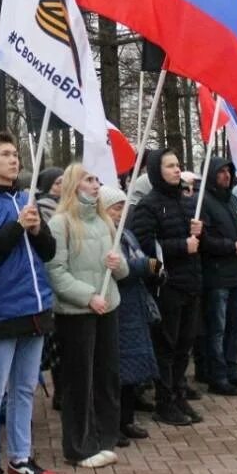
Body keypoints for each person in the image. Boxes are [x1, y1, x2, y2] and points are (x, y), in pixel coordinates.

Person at [0, 133, 60, 474]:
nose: (14, 160)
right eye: (5, 154)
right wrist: (17, 227)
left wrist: (37, 228)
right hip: (0, 309)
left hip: (34, 306)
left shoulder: (26, 198)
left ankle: (20, 457)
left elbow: (49, 251)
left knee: (25, 388)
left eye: (15, 154)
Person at [44, 164, 127, 468]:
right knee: (79, 380)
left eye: (96, 179)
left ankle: (105, 437)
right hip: (77, 313)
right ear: (73, 186)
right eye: (89, 180)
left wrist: (116, 264)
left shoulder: (106, 222)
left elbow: (123, 271)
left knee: (107, 376)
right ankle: (79, 447)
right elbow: (56, 272)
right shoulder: (60, 224)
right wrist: (88, 297)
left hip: (108, 308)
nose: (95, 185)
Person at [128, 148, 204, 427]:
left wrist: (197, 234)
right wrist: (181, 246)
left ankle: (178, 393)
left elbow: (196, 246)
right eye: (170, 165)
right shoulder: (148, 205)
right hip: (167, 286)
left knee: (185, 344)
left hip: (190, 283)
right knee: (166, 346)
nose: (176, 170)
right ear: (156, 171)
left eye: (177, 165)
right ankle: (164, 401)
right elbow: (143, 245)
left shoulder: (186, 203)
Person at [103, 184, 158, 444]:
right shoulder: (106, 235)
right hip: (117, 305)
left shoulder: (127, 234)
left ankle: (127, 418)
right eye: (116, 208)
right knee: (117, 369)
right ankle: (112, 422)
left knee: (132, 367)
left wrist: (150, 264)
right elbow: (122, 267)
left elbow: (141, 258)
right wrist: (145, 265)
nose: (121, 212)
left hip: (134, 306)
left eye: (123, 207)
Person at [198, 159, 237, 396]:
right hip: (218, 274)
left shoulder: (232, 200)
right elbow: (204, 240)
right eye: (220, 172)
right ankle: (217, 375)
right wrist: (231, 247)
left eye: (228, 172)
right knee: (218, 328)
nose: (226, 176)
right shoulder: (203, 203)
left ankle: (231, 369)